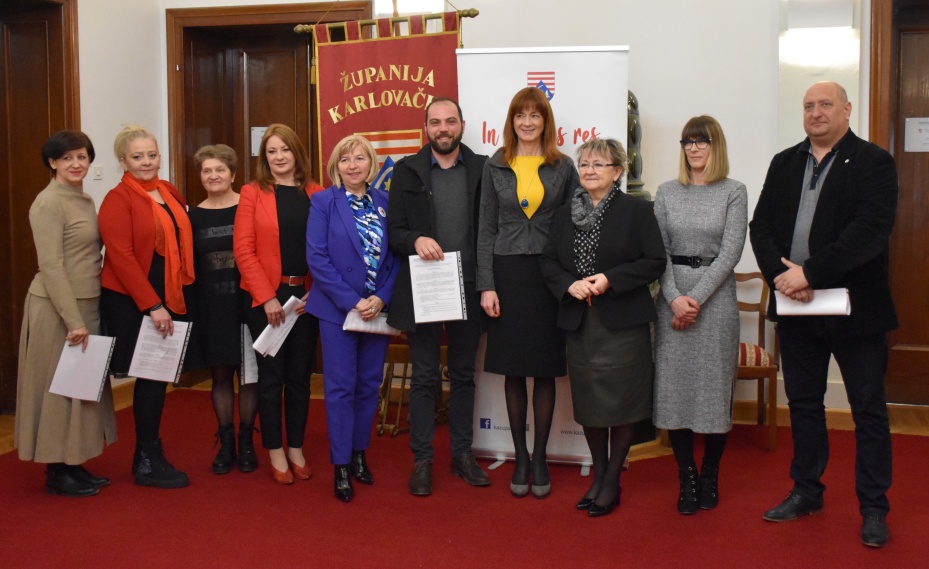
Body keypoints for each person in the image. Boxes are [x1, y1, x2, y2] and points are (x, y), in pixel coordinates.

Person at [749, 81, 898, 548]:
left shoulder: (873, 161)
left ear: (847, 109)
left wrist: (809, 272)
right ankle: (807, 491)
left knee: (867, 410)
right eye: (809, 106)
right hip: (796, 306)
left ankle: (873, 508)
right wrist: (781, 276)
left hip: (856, 310)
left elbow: (869, 231)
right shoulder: (784, 162)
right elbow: (761, 226)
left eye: (826, 104)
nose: (816, 112)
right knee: (804, 404)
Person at [540, 138, 665, 517]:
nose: (589, 170)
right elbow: (548, 262)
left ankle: (611, 479)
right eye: (585, 164)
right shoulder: (565, 213)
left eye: (599, 164)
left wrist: (611, 279)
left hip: (623, 322)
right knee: (591, 404)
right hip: (581, 323)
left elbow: (654, 262)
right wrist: (568, 285)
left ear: (617, 172)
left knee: (623, 403)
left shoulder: (637, 211)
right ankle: (599, 474)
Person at [477, 87, 579, 498]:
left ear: (545, 122)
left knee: (545, 367)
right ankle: (520, 456)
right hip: (508, 274)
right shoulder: (495, 164)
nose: (528, 122)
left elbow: (575, 223)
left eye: (535, 115)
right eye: (521, 115)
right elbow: (485, 228)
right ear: (512, 121)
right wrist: (486, 284)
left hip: (549, 276)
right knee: (514, 368)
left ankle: (540, 458)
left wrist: (573, 278)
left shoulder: (564, 166)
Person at [387, 97, 490, 496]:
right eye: (435, 122)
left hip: (468, 286)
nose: (443, 128)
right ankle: (422, 460)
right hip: (425, 287)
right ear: (426, 127)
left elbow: (493, 229)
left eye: (450, 121)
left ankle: (462, 455)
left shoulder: (483, 168)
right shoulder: (406, 170)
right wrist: (415, 239)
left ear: (461, 125)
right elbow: (395, 232)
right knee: (425, 377)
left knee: (464, 374)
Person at [652, 116, 747, 514]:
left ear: (715, 145)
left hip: (716, 300)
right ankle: (686, 475)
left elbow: (731, 252)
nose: (693, 148)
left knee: (712, 391)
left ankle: (710, 473)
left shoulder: (733, 191)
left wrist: (695, 300)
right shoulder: (666, 192)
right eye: (687, 141)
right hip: (671, 296)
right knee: (674, 391)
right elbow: (657, 251)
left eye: (702, 141)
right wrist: (675, 298)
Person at [15, 130, 117, 497]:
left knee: (81, 388)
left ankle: (73, 462)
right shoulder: (48, 203)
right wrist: (73, 321)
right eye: (67, 158)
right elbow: (52, 267)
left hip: (87, 302)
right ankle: (56, 471)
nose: (76, 164)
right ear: (53, 162)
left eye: (82, 157)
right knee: (58, 390)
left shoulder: (84, 199)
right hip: (57, 309)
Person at [99, 124, 195, 489]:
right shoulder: (117, 199)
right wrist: (153, 305)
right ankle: (146, 457)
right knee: (151, 376)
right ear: (123, 161)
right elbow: (121, 257)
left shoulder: (168, 190)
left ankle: (148, 453)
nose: (146, 162)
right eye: (137, 156)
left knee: (158, 377)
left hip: (168, 297)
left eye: (151, 155)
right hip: (134, 301)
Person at [306, 135, 399, 502]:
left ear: (371, 164)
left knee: (368, 385)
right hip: (337, 311)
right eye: (345, 160)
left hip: (376, 310)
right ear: (336, 167)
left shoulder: (385, 202)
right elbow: (317, 258)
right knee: (341, 387)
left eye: (360, 158)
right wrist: (352, 301)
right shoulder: (323, 202)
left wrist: (382, 296)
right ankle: (341, 465)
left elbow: (395, 257)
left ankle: (360, 454)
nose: (353, 165)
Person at [233, 124, 323, 485]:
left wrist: (318, 292)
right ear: (264, 157)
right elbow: (244, 250)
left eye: (285, 149)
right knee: (270, 379)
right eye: (271, 151)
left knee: (300, 378)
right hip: (266, 300)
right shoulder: (252, 193)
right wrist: (267, 297)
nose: (279, 157)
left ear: (296, 152)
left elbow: (328, 247)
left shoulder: (317, 193)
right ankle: (273, 449)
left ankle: (296, 448)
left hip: (307, 298)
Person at [188, 144, 257, 475]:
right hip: (212, 307)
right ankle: (226, 441)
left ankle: (247, 441)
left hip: (247, 303)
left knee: (250, 375)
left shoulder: (249, 208)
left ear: (233, 174)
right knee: (221, 376)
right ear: (200, 176)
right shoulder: (191, 216)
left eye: (220, 169)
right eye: (207, 171)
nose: (213, 175)